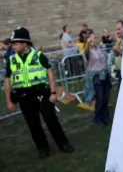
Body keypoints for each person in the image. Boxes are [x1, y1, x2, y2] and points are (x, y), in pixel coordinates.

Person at [4, 27, 74, 158]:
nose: (12, 46)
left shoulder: (39, 56)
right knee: (33, 124)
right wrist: (8, 101)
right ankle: (43, 148)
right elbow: (7, 81)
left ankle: (63, 143)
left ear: (25, 43)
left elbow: (50, 73)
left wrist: (53, 93)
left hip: (42, 93)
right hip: (24, 97)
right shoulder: (11, 60)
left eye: (15, 43)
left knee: (51, 119)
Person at [84, 33, 111, 126]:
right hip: (96, 76)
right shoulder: (88, 51)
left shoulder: (99, 48)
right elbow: (86, 53)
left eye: (95, 37)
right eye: (93, 38)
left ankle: (106, 117)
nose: (96, 39)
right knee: (100, 99)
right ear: (89, 40)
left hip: (105, 75)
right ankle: (97, 118)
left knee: (106, 98)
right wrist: (87, 44)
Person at [114, 20, 123, 87]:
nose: (117, 31)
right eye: (116, 29)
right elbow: (116, 54)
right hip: (120, 70)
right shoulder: (120, 39)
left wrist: (117, 49)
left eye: (119, 29)